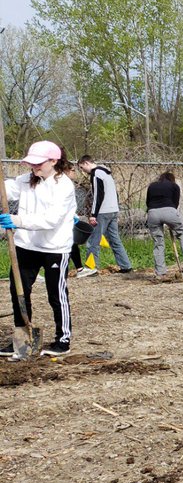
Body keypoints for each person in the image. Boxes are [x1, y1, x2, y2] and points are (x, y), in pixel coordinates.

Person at [1, 141, 77, 358]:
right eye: (32, 163)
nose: (34, 167)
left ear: (54, 161)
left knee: (56, 294)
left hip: (55, 247)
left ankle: (63, 340)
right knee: (19, 292)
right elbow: (7, 190)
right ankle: (23, 341)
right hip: (26, 245)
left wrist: (17, 219)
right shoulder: (27, 179)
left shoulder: (63, 186)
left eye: (39, 163)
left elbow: (51, 220)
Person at [78, 155, 132, 276]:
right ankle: (126, 266)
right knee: (114, 239)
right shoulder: (106, 173)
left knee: (93, 241)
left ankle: (91, 268)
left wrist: (93, 214)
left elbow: (98, 195)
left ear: (87, 163)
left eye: (82, 167)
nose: (83, 171)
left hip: (103, 212)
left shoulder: (96, 174)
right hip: (113, 209)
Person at [145, 172, 183, 278]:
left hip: (152, 212)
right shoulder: (174, 186)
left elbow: (148, 202)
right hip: (169, 211)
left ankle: (160, 273)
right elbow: (175, 203)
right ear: (172, 179)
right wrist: (170, 220)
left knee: (158, 243)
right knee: (181, 232)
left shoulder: (152, 185)